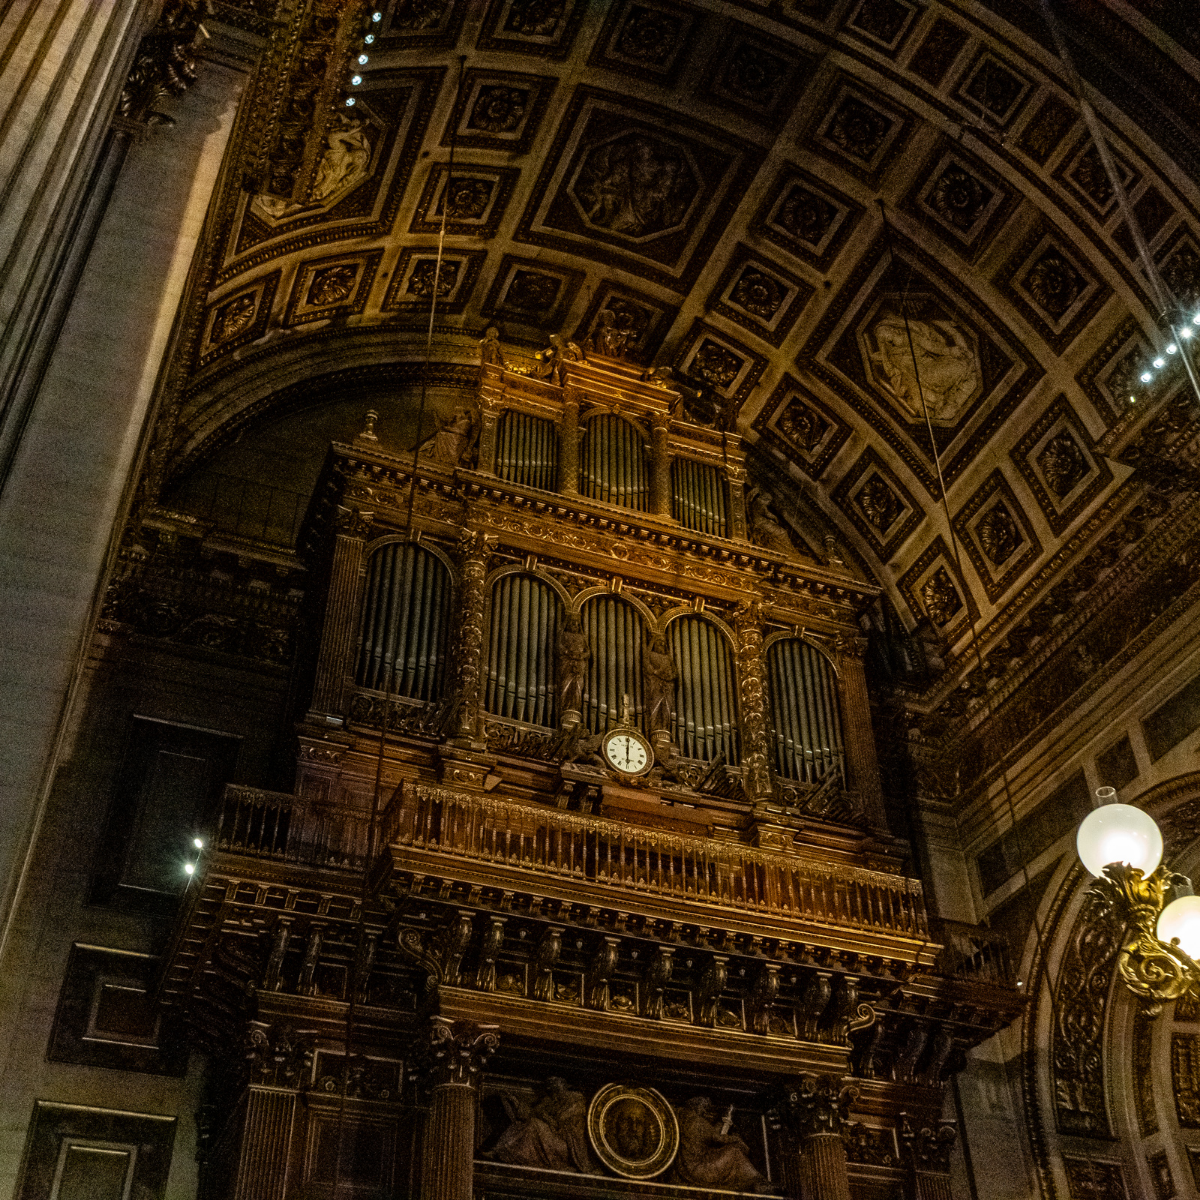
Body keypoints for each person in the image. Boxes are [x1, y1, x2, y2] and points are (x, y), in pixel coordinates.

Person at [673, 1097, 772, 1193]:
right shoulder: (699, 1122)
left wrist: (721, 1123)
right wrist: (736, 1139)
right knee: (735, 1152)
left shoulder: (685, 1119)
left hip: (688, 1168)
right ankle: (757, 1182)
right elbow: (719, 1138)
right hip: (700, 1170)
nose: (707, 1111)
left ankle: (756, 1182)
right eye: (706, 1108)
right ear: (700, 1107)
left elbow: (710, 1135)